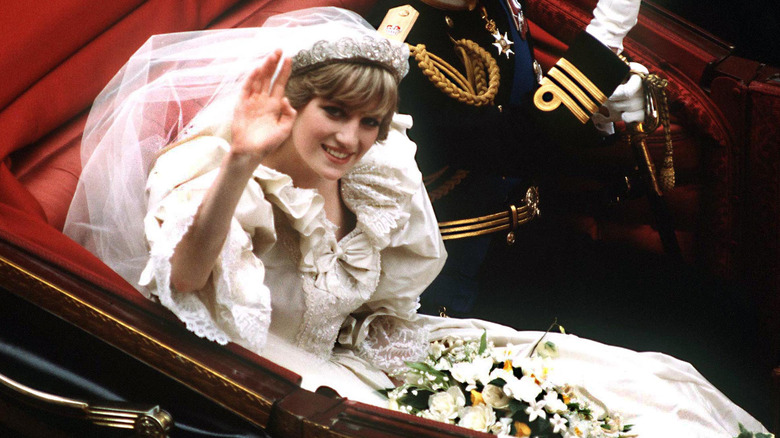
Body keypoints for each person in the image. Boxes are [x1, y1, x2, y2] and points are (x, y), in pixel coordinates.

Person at [64, 7, 770, 437]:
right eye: (333, 114)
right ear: (292, 105)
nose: (351, 138)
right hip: (292, 387)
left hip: (377, 347)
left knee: (627, 394)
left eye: (369, 121)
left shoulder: (373, 168)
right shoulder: (216, 177)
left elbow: (387, 289)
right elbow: (187, 278)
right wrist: (241, 165)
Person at [366, 0, 647, 315]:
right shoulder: (395, 42)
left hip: (531, 239)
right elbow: (510, 143)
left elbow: (528, 103)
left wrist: (599, 109)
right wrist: (605, 39)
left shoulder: (495, 4)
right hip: (453, 274)